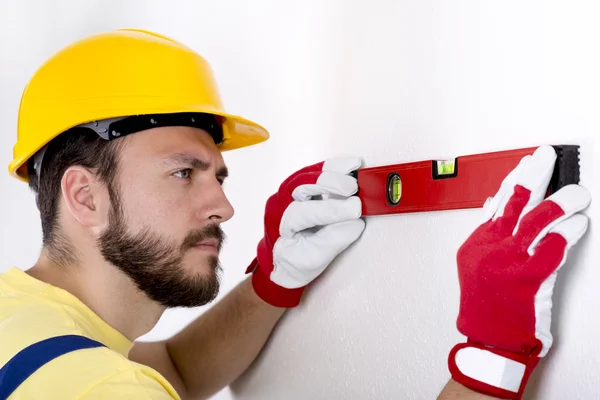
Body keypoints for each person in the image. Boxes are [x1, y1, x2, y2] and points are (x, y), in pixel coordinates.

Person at [0, 28, 591, 400]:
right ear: (84, 197)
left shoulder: (26, 321)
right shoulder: (96, 387)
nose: (225, 207)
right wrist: (490, 359)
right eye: (183, 173)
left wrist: (271, 284)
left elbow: (174, 371)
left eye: (219, 175)